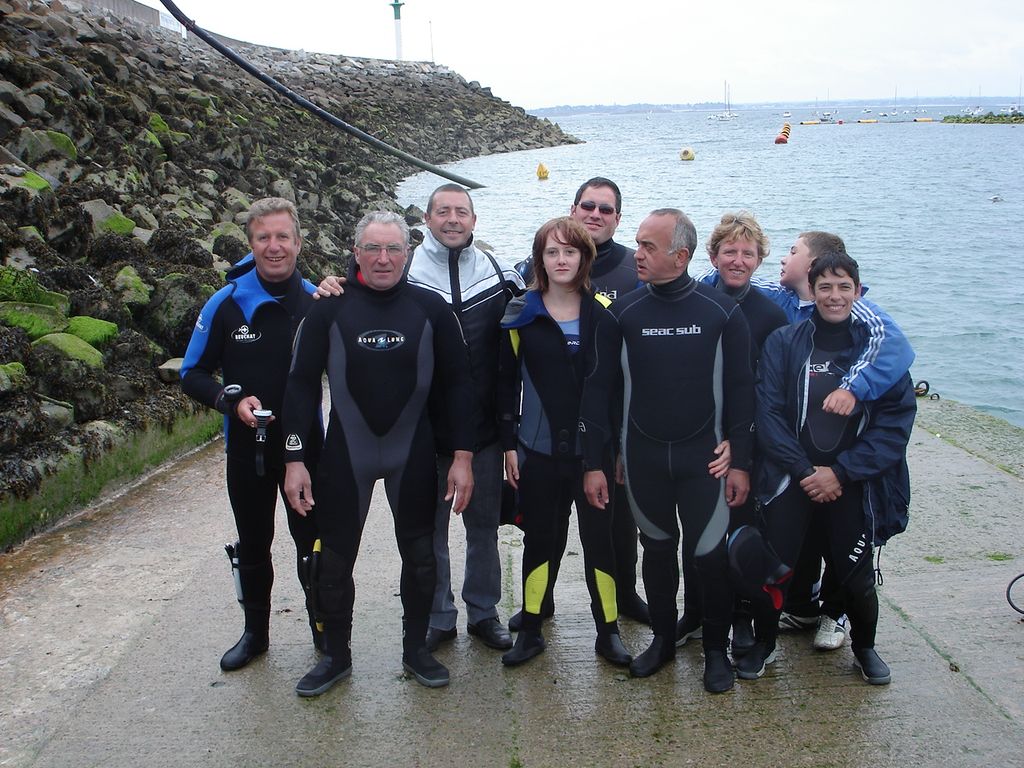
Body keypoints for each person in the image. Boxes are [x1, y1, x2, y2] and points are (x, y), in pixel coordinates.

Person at [281, 211, 476, 695]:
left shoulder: (430, 308)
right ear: (356, 252)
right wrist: (294, 459)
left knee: (421, 555)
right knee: (334, 559)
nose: (383, 258)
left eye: (393, 249)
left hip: (412, 448)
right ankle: (336, 656)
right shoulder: (328, 309)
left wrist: (463, 457)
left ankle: (416, 650)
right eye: (372, 248)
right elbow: (300, 385)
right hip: (349, 451)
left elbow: (460, 385)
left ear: (408, 253)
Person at [698, 229, 915, 650]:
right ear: (811, 292)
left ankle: (862, 645)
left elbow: (895, 423)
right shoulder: (786, 336)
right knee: (776, 566)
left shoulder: (876, 346)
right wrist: (802, 469)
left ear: (858, 292)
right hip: (793, 474)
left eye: (844, 288)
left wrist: (841, 471)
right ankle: (765, 641)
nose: (835, 296)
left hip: (850, 479)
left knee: (854, 573)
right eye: (825, 288)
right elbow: (768, 411)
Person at [581, 208, 754, 693]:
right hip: (643, 457)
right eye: (637, 243)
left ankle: (715, 651)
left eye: (648, 247)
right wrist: (597, 460)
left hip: (706, 460)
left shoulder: (721, 313)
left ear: (680, 256)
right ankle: (662, 640)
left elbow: (743, 390)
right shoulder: (623, 313)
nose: (636, 254)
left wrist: (740, 457)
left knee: (709, 556)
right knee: (656, 551)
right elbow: (599, 391)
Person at [180, 197, 321, 671]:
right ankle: (255, 634)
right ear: (251, 244)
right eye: (264, 238)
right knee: (254, 542)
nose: (274, 246)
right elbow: (191, 373)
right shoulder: (226, 304)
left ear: (298, 243)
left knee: (313, 544)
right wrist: (229, 401)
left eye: (283, 237)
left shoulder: (317, 303)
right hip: (248, 450)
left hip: (306, 449)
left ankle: (323, 631)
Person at [511, 177, 649, 631]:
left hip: (607, 431)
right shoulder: (532, 274)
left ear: (618, 219)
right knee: (544, 530)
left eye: (606, 209)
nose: (595, 214)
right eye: (588, 205)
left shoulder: (633, 268)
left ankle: (623, 598)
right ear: (573, 210)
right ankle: (540, 603)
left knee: (614, 529)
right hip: (546, 438)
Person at [497, 217, 630, 668]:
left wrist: (611, 455)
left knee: (600, 543)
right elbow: (505, 384)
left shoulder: (603, 317)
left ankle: (608, 632)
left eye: (570, 251)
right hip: (537, 452)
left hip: (592, 457)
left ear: (584, 257)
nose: (560, 260)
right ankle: (531, 630)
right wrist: (509, 444)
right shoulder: (521, 314)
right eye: (551, 252)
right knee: (539, 540)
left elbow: (611, 393)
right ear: (540, 259)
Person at [406, 184, 523, 653]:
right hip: (424, 432)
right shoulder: (405, 273)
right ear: (426, 219)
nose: (452, 219)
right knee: (430, 532)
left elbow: (548, 305)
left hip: (484, 431)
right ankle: (439, 616)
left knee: (483, 529)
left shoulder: (498, 273)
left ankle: (483, 612)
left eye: (461, 211)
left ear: (474, 220)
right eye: (443, 211)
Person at [676, 213, 788, 656]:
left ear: (759, 260)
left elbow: (772, 390)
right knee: (696, 532)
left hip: (746, 438)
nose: (738, 260)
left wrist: (741, 447)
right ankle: (696, 611)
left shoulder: (770, 315)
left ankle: (741, 615)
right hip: (699, 436)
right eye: (730, 251)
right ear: (713, 256)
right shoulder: (694, 300)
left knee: (742, 532)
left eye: (748, 253)